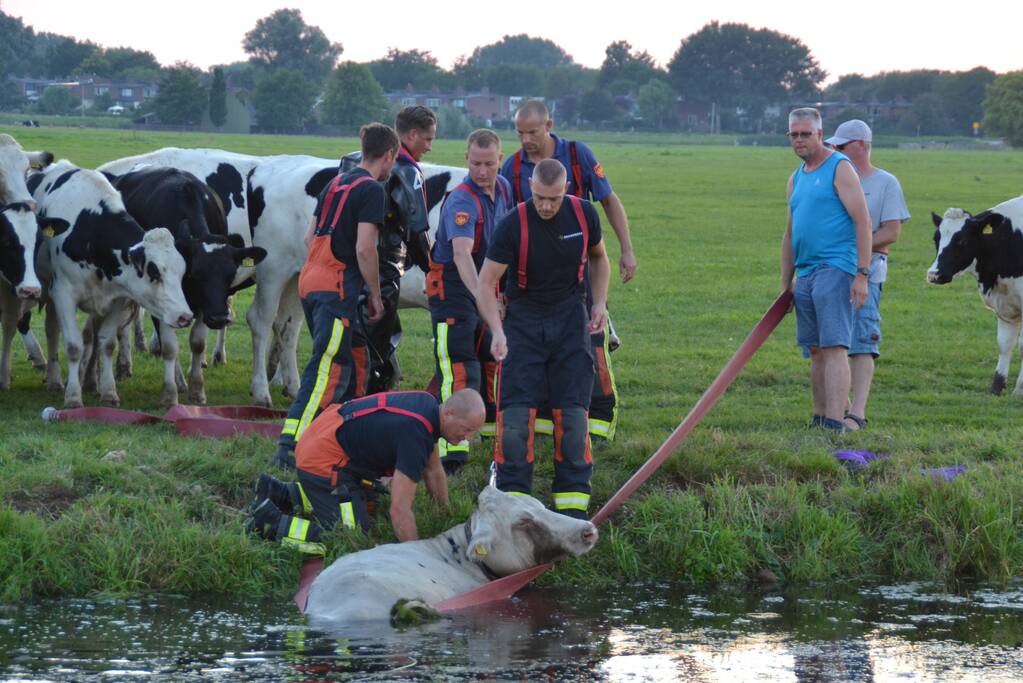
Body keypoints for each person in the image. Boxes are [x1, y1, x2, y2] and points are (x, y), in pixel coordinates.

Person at [478, 159, 611, 519]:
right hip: (523, 322)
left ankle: (572, 511)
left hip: (570, 320)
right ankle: (516, 509)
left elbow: (600, 258)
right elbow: (486, 282)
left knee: (573, 420)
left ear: (566, 190)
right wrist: (497, 330)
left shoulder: (584, 215)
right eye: (539, 198)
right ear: (530, 190)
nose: (546, 206)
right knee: (516, 424)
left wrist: (598, 302)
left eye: (553, 199)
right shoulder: (512, 225)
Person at [499, 99, 635, 442]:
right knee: (531, 350)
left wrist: (627, 251)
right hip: (529, 281)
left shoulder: (577, 156)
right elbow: (501, 226)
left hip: (575, 276)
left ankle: (597, 419)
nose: (526, 139)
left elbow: (608, 200)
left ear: (549, 125)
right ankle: (548, 420)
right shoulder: (512, 167)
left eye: (532, 131)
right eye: (519, 132)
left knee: (591, 339)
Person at [274, 123, 398, 469]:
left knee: (356, 359)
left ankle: (349, 435)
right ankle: (291, 444)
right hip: (337, 287)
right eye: (393, 161)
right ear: (389, 155)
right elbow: (364, 249)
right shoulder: (372, 190)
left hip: (311, 279)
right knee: (326, 367)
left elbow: (308, 237)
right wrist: (374, 294)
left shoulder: (335, 182)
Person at [249, 389, 486, 552]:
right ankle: (269, 523)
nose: (468, 438)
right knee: (351, 536)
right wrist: (417, 557)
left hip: (327, 435)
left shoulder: (429, 406)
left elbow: (434, 471)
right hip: (323, 457)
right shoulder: (416, 433)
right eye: (466, 430)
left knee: (367, 504)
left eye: (473, 432)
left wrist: (444, 514)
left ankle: (278, 492)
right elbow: (399, 511)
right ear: (448, 414)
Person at [427, 129, 514, 474]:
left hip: (485, 283)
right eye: (476, 163)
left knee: (490, 361)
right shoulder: (463, 200)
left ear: (500, 161)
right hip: (454, 287)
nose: (482, 171)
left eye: (489, 164)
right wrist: (484, 297)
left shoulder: (504, 189)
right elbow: (463, 256)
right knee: (458, 365)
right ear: (466, 159)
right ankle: (452, 452)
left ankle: (492, 437)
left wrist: (499, 292)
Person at [780, 108, 872, 432]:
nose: (800, 139)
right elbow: (790, 234)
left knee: (834, 348)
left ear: (820, 134)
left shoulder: (840, 168)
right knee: (816, 350)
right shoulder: (796, 177)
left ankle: (835, 422)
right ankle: (819, 419)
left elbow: (863, 221)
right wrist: (785, 284)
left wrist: (862, 274)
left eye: (806, 133)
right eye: (794, 134)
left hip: (836, 268)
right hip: (805, 273)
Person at [340, 105, 437, 394]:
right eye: (428, 139)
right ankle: (369, 404)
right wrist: (435, 267)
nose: (430, 147)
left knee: (350, 346)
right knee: (376, 347)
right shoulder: (407, 171)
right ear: (412, 134)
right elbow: (417, 227)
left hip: (345, 268)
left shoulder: (350, 162)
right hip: (383, 270)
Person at [824, 119, 910, 431]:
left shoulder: (885, 182)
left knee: (862, 338)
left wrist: (856, 245)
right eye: (833, 146)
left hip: (868, 270)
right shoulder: (833, 178)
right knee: (833, 339)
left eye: (842, 146)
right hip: (831, 268)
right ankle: (839, 405)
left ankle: (857, 413)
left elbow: (892, 231)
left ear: (861, 145)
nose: (835, 150)